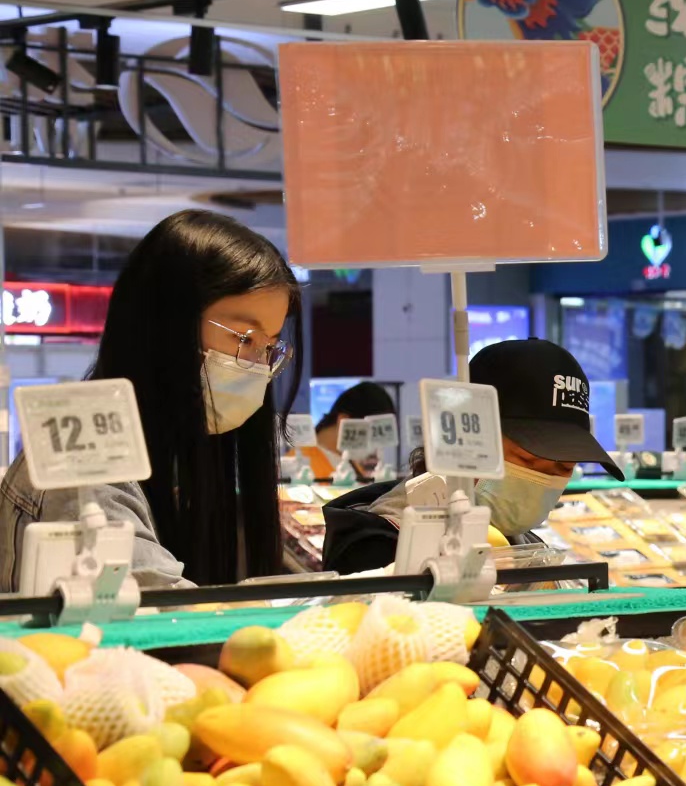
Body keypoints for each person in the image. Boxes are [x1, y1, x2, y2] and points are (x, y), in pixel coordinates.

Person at [0, 210, 300, 590]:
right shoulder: (84, 463)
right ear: (165, 326)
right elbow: (161, 608)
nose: (258, 366)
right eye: (244, 339)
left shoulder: (188, 457)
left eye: (269, 347)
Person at [321, 339, 621, 574]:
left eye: (564, 468)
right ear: (466, 435)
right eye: (527, 460)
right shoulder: (378, 546)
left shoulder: (525, 547)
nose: (544, 481)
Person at [304, 381, 397, 481]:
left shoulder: (350, 463)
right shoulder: (301, 466)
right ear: (345, 422)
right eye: (372, 434)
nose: (374, 446)